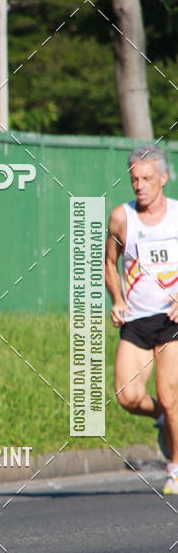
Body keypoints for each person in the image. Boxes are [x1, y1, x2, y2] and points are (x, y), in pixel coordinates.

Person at [105, 145, 178, 494]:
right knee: (127, 396)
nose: (140, 186)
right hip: (136, 319)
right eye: (134, 179)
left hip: (171, 319)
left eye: (147, 178)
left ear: (164, 178)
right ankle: (164, 421)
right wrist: (117, 299)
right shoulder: (122, 217)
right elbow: (110, 263)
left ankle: (175, 470)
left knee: (169, 393)